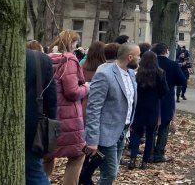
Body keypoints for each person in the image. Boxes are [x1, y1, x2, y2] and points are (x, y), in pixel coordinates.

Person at [83, 43, 140, 185]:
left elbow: (130, 103)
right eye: (138, 56)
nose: (140, 59)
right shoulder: (104, 75)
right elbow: (93, 108)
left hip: (122, 131)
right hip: (106, 134)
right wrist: (93, 140)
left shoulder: (131, 74)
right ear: (130, 57)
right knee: (109, 175)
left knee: (112, 173)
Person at [42, 30, 90, 185]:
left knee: (48, 153)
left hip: (48, 114)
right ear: (72, 43)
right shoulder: (69, 59)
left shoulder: (46, 59)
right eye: (76, 43)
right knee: (77, 154)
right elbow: (73, 92)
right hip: (69, 117)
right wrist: (87, 87)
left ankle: (42, 181)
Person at [128, 51, 169, 169]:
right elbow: (164, 90)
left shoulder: (138, 73)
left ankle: (133, 158)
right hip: (153, 106)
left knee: (136, 133)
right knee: (151, 135)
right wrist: (157, 96)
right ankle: (145, 161)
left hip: (140, 106)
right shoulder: (160, 73)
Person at [26, 47, 57, 185]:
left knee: (33, 172)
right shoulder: (41, 59)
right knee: (34, 172)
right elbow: (51, 99)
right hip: (31, 125)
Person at [152, 43, 187, 163]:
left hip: (150, 99)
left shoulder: (149, 64)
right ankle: (159, 153)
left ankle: (149, 152)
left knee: (151, 127)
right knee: (164, 127)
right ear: (166, 51)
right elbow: (182, 81)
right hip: (167, 100)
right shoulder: (173, 65)